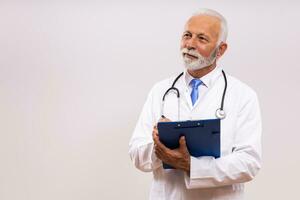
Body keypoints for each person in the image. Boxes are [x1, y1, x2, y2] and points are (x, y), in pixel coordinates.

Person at [129, 8, 262, 200]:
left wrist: (192, 165)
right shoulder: (161, 91)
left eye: (201, 38)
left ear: (221, 49)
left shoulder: (243, 95)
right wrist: (159, 147)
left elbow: (249, 163)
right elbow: (137, 155)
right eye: (187, 35)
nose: (190, 44)